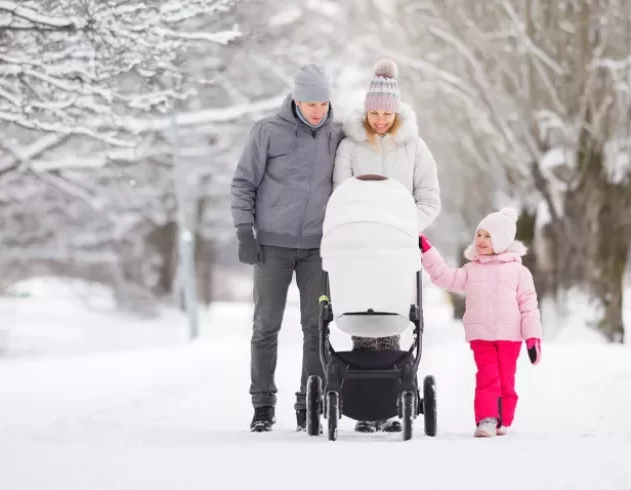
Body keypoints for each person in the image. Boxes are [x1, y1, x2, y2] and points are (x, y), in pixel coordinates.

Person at [230, 64, 344, 433]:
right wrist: (244, 231)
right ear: (296, 99)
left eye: (323, 102)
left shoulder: (339, 135)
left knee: (316, 328)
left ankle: (307, 402)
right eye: (310, 102)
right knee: (266, 326)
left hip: (318, 248)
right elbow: (243, 182)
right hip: (271, 247)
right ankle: (262, 405)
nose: (317, 110)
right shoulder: (267, 132)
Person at [333, 58, 442, 433]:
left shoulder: (415, 148)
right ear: (366, 111)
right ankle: (367, 407)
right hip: (359, 247)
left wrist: (404, 226)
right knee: (364, 317)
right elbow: (340, 196)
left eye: (386, 113)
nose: (380, 119)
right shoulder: (349, 146)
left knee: (393, 318)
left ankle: (392, 404)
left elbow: (429, 198)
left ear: (397, 114)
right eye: (374, 112)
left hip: (397, 248)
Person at [419, 207, 543, 438]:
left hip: (510, 337)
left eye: (488, 236)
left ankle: (502, 419)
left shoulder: (519, 272)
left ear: (503, 240)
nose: (481, 240)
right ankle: (486, 419)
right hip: (481, 336)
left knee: (506, 379)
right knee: (488, 375)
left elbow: (529, 306)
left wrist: (533, 337)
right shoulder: (471, 269)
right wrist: (427, 252)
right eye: (479, 234)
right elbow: (445, 276)